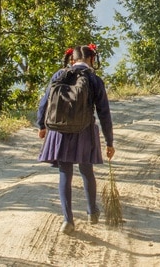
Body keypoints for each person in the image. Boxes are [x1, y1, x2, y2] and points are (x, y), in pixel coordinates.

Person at [37, 44, 115, 234]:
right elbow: (104, 113)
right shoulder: (94, 79)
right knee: (86, 170)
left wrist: (41, 125)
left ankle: (68, 220)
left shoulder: (59, 75)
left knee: (65, 172)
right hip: (84, 131)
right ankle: (92, 212)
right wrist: (109, 141)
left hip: (58, 131)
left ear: (72, 59)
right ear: (92, 59)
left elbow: (44, 102)